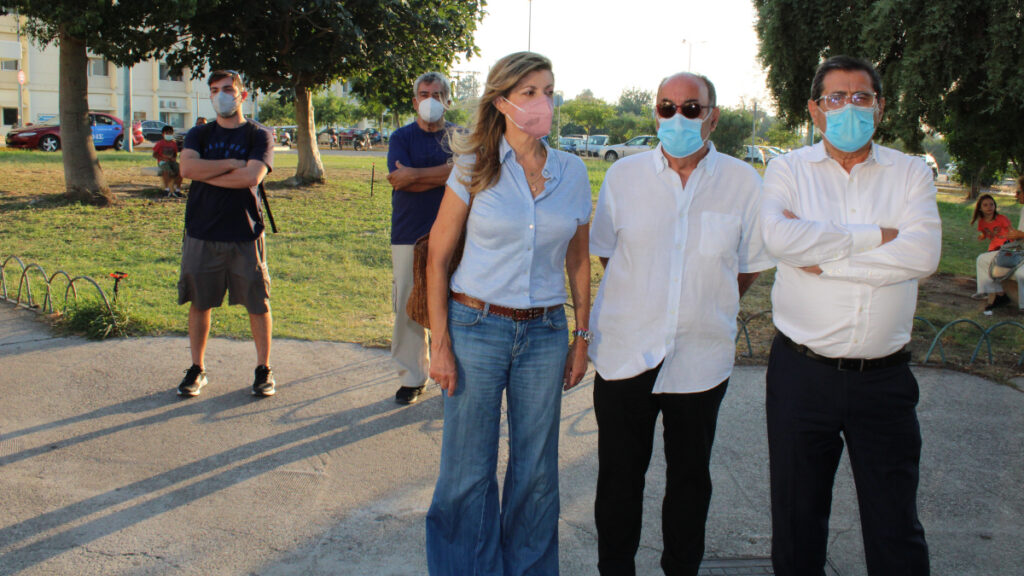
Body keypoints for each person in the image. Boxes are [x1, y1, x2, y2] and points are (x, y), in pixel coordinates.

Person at [587, 72, 773, 576]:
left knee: (691, 480)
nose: (677, 117)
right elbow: (608, 254)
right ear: (656, 113)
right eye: (666, 107)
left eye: (691, 108)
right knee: (619, 479)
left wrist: (701, 302)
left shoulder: (743, 182)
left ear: (713, 117)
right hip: (626, 351)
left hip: (701, 358)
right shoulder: (623, 178)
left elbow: (747, 264)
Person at [760, 55, 941, 575]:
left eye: (861, 97)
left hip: (884, 382)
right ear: (815, 110)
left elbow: (922, 255)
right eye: (836, 98)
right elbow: (779, 238)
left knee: (895, 527)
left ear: (879, 108)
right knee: (797, 522)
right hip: (802, 375)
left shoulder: (910, 172)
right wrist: (878, 237)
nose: (849, 108)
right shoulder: (788, 169)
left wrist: (825, 261)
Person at [424, 51, 591, 576]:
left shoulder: (572, 171)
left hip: (545, 333)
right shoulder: (474, 165)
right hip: (476, 327)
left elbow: (579, 260)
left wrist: (582, 337)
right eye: (530, 93)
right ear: (502, 102)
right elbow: (437, 257)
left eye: (549, 91)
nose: (544, 102)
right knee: (467, 469)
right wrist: (441, 344)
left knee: (536, 471)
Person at [176, 70, 277, 398]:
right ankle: (197, 368)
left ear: (242, 95)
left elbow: (251, 177)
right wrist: (233, 163)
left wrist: (208, 173)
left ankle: (263, 369)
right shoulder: (199, 134)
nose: (221, 95)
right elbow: (187, 169)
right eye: (215, 90)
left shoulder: (259, 135)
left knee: (258, 303)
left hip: (245, 233)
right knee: (199, 301)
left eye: (228, 89)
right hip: (202, 231)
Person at [386, 72, 456, 405]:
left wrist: (415, 174)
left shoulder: (460, 137)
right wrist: (447, 174)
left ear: (447, 101)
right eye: (425, 94)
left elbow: (468, 174)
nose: (431, 100)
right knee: (408, 305)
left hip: (455, 232)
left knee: (455, 304)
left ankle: (452, 372)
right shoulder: (401, 137)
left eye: (437, 94)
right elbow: (399, 181)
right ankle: (412, 377)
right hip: (409, 232)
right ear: (415, 102)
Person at [971, 193, 1024, 312]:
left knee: (1021, 273)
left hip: (1018, 251)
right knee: (982, 259)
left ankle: (1022, 305)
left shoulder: (1001, 218)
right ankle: (998, 295)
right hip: (1018, 250)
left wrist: (1020, 235)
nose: (1017, 194)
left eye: (1019, 191)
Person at [152, 125, 183, 197]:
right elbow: (154, 155)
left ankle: (177, 189)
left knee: (181, 170)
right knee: (166, 171)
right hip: (163, 162)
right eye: (167, 133)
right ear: (163, 134)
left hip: (172, 161)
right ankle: (166, 189)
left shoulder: (174, 143)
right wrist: (163, 158)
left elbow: (175, 154)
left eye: (170, 133)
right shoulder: (160, 143)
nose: (169, 135)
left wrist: (174, 158)